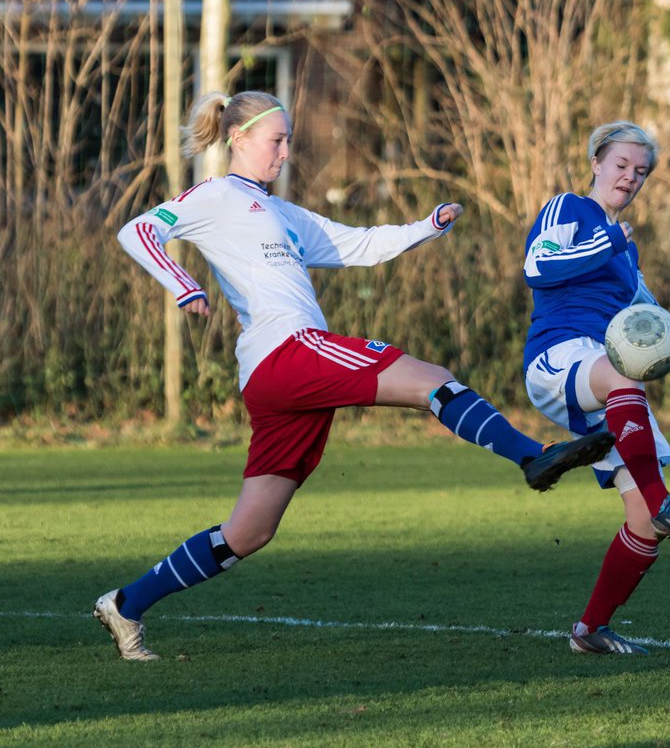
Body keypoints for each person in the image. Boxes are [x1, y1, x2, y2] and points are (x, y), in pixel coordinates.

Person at [93, 90, 615, 661]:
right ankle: (530, 456)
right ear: (238, 139)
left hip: (276, 376)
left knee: (249, 532)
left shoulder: (281, 212)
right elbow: (139, 231)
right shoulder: (216, 195)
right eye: (277, 140)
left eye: (289, 140)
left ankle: (126, 604)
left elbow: (358, 245)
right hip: (287, 350)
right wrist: (184, 285)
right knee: (430, 380)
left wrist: (425, 226)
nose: (286, 152)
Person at [522, 121, 670, 656]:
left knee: (643, 526)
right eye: (622, 165)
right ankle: (663, 499)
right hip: (559, 356)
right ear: (596, 163)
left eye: (641, 171)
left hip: (605, 373)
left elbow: (648, 315)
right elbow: (538, 267)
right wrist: (607, 241)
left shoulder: (626, 253)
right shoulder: (569, 209)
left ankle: (589, 631)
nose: (630, 177)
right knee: (623, 374)